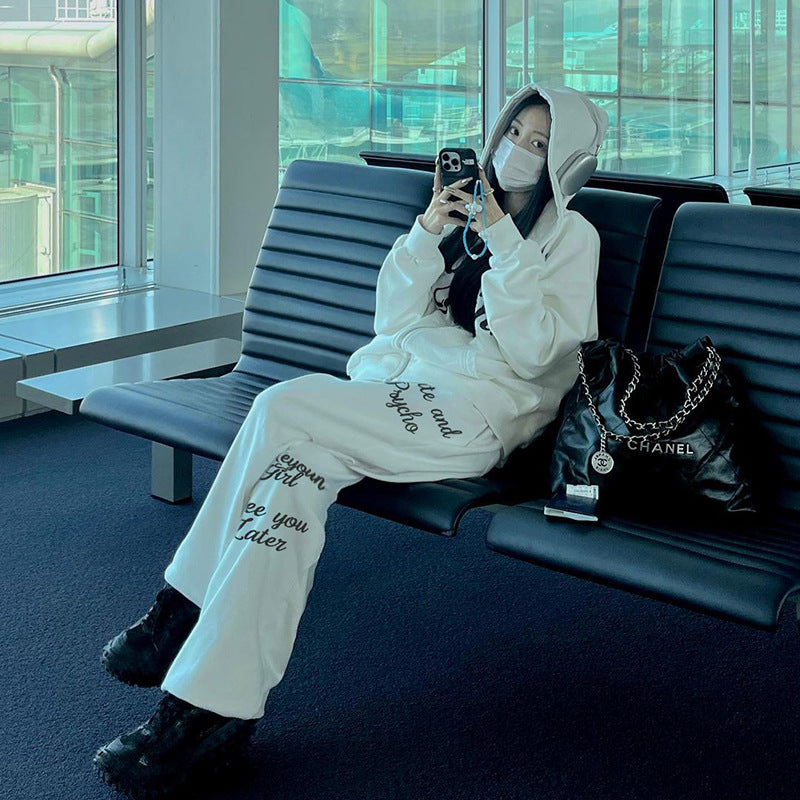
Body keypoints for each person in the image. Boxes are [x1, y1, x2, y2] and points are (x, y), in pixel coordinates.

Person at [92, 82, 608, 798]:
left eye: (540, 143)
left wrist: (504, 242)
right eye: (514, 132)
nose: (518, 150)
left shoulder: (572, 240)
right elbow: (393, 322)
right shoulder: (465, 217)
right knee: (290, 481)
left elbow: (535, 356)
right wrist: (427, 234)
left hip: (474, 415)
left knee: (282, 406)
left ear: (566, 161)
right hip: (395, 390)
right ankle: (208, 717)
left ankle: (180, 607)